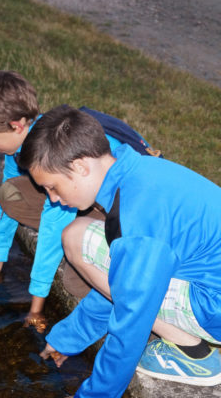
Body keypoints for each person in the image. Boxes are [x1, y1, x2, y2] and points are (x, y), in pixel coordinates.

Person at [17, 104, 221, 397]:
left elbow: (129, 323)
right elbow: (122, 277)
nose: (54, 199)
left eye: (53, 187)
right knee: (82, 237)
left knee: (98, 259)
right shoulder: (139, 169)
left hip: (213, 307)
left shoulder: (137, 218)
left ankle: (192, 354)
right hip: (209, 280)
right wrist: (69, 338)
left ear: (79, 166)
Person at [0, 71, 126, 332]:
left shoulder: (50, 152)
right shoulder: (18, 147)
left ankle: (137, 321)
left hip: (114, 202)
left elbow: (52, 227)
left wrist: (36, 307)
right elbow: (5, 203)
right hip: (72, 191)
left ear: (16, 125)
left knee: (76, 282)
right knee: (8, 193)